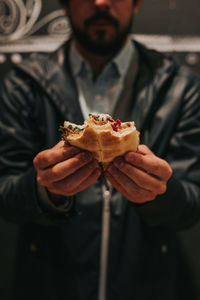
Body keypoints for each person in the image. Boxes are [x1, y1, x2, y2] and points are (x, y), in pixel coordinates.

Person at [0, 0, 200, 299]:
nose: (101, 2)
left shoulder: (181, 87)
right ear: (65, 5)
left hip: (148, 282)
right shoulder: (22, 84)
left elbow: (192, 205)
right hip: (50, 281)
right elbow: (5, 196)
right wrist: (43, 191)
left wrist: (160, 193)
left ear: (135, 4)